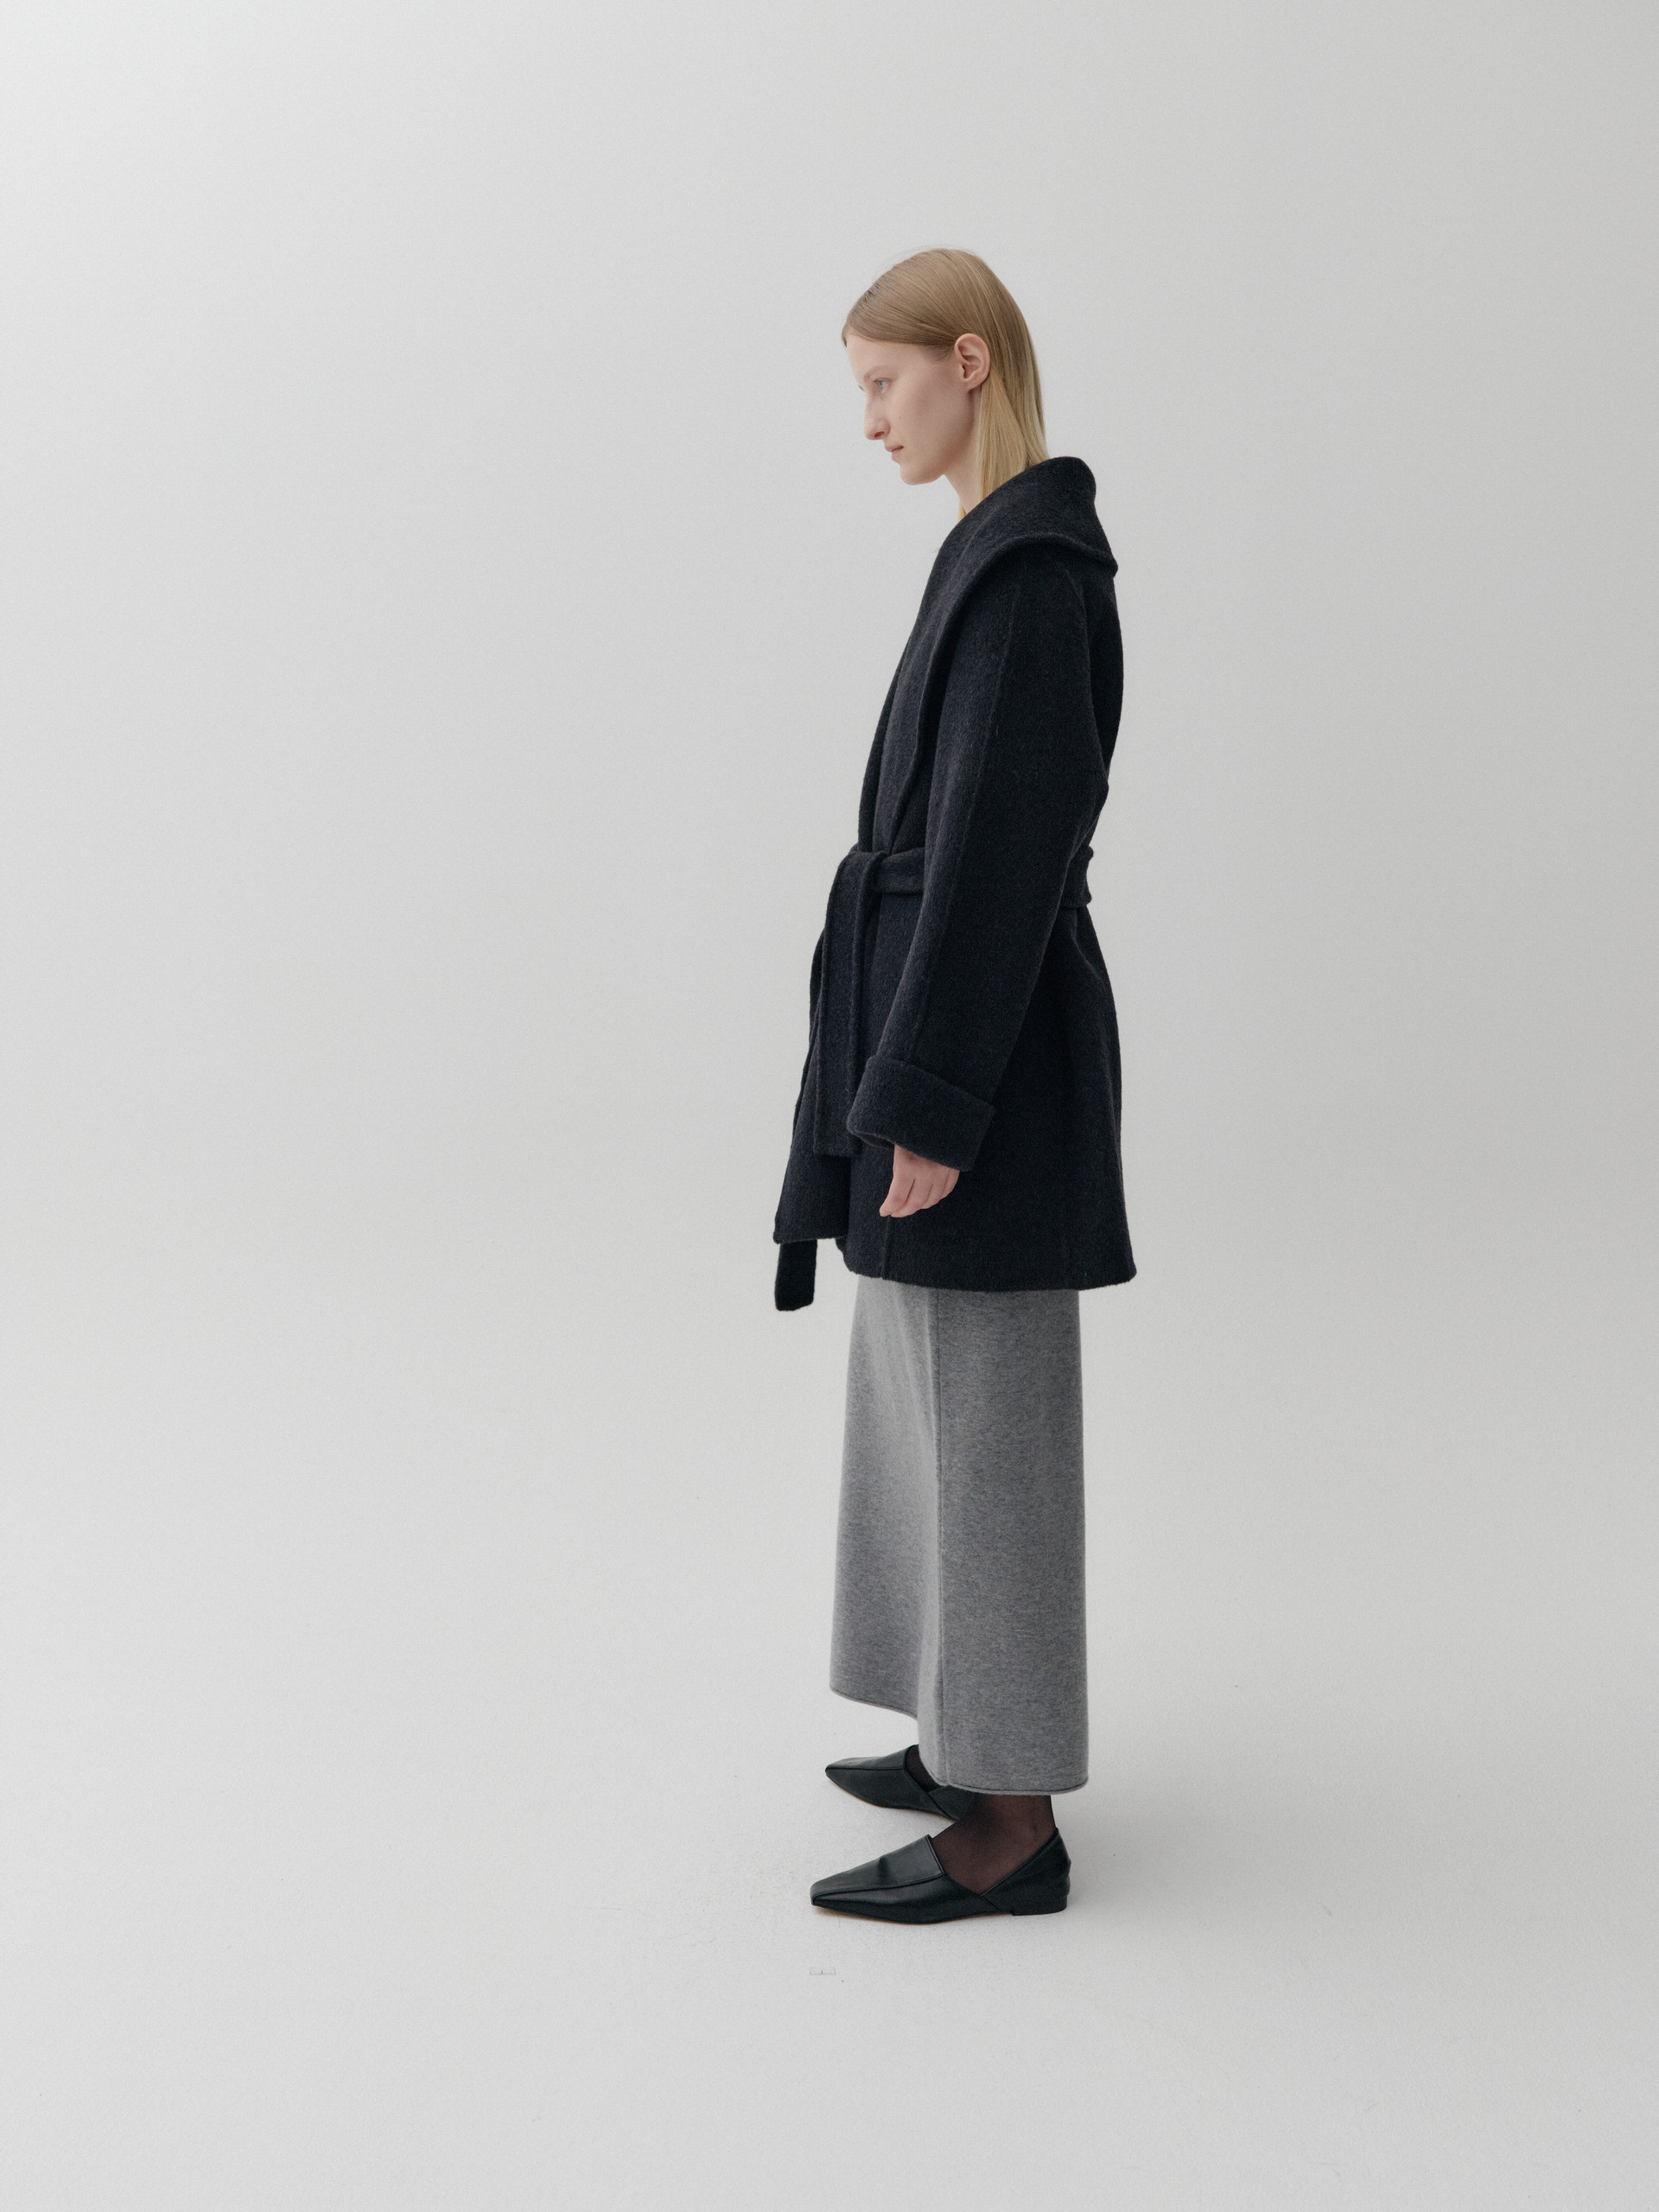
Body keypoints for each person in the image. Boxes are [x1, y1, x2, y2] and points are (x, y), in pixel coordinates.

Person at [773, 248, 1135, 1924]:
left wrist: (931, 1095)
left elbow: (1001, 852)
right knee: (921, 1393)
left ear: (968, 362)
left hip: (983, 1051)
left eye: (883, 383)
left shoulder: (1036, 576)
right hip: (939, 1027)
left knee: (994, 1430)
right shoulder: (988, 557)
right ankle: (961, 1727)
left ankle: (1013, 1823)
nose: (870, 421)